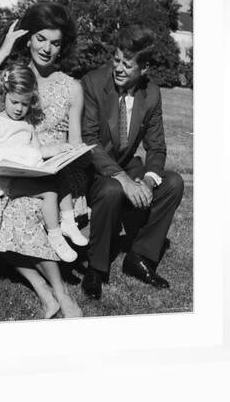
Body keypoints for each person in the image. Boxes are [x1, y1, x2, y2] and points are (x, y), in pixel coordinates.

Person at [0, 1, 87, 319]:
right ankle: (48, 291)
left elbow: (75, 146)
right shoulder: (14, 78)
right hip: (10, 176)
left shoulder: (71, 87)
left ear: (62, 48)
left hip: (50, 178)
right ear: (28, 38)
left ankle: (60, 293)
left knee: (20, 212)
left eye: (55, 43)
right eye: (41, 38)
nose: (47, 48)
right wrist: (5, 49)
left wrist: (75, 189)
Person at [80, 24, 184, 300]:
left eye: (127, 64)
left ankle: (139, 257)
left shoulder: (151, 94)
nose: (119, 68)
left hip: (128, 165)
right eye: (116, 60)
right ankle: (96, 268)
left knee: (173, 183)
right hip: (92, 169)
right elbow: (89, 142)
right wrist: (123, 179)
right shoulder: (92, 83)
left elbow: (157, 146)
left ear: (145, 68)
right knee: (113, 189)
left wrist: (149, 181)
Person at [0, 63, 88, 262]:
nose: (20, 109)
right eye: (15, 102)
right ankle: (55, 236)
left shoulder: (27, 124)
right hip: (4, 180)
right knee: (49, 192)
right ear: (4, 94)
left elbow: (38, 150)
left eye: (25, 103)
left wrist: (59, 149)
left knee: (60, 177)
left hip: (23, 174)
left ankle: (68, 222)